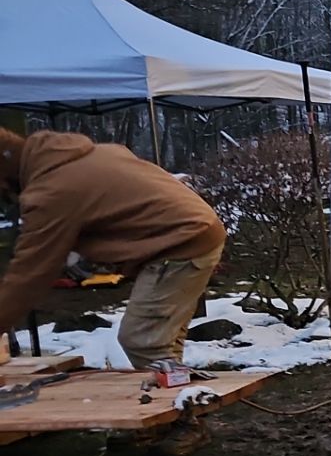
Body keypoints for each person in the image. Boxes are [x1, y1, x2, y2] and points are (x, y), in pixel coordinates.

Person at [0, 127, 227, 375]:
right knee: (163, 345)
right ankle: (185, 402)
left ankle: (177, 402)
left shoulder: (52, 190)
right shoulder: (87, 156)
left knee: (142, 341)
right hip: (195, 233)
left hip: (180, 244)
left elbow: (29, 274)